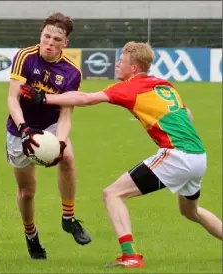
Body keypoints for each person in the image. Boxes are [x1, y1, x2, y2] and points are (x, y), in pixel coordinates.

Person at [20, 41, 222, 267]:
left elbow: (86, 99)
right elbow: (189, 115)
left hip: (178, 156)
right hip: (199, 157)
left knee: (112, 194)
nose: (117, 64)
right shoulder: (164, 85)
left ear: (133, 68)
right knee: (191, 212)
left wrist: (44, 98)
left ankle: (131, 256)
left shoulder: (131, 87)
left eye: (122, 61)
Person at [6, 12, 92, 260]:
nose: (49, 42)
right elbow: (12, 99)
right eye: (46, 36)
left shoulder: (72, 72)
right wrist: (23, 129)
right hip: (19, 128)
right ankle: (31, 234)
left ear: (65, 43)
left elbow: (66, 114)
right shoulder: (25, 56)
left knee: (68, 158)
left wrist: (61, 142)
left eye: (56, 39)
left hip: (51, 126)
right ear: (40, 35)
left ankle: (69, 218)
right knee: (27, 192)